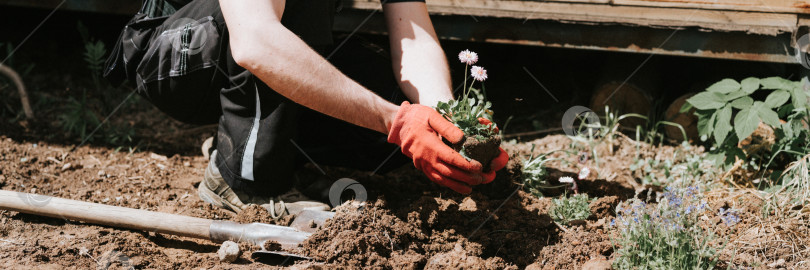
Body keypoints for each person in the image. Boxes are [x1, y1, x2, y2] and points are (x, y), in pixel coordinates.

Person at [105, 0, 509, 219]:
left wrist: (446, 121)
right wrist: (396, 121)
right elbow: (256, 41)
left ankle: (241, 137)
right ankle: (244, 182)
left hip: (252, 40)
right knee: (286, 30)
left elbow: (414, 40)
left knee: (385, 99)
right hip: (176, 54)